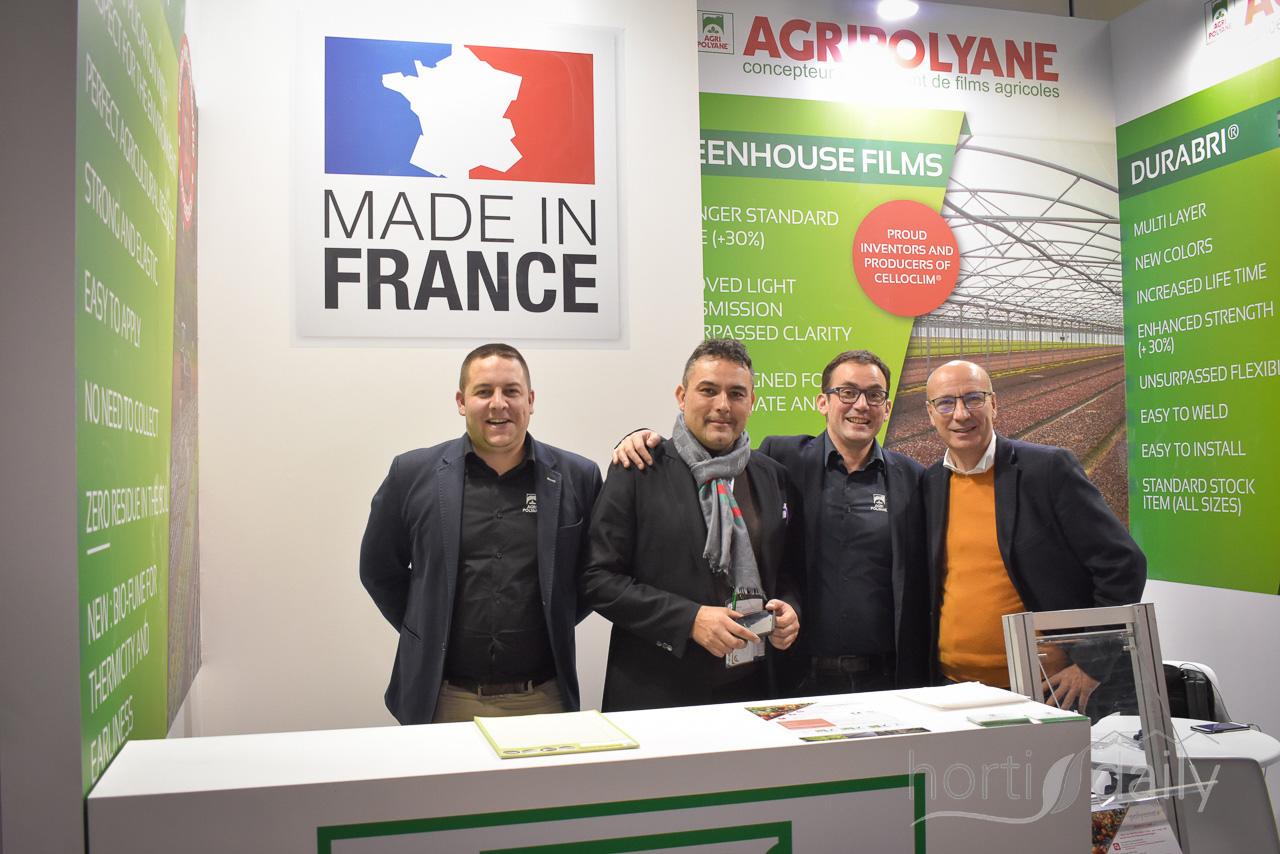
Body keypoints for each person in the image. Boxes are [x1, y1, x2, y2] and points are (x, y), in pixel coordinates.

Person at [614, 350, 930, 695]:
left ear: (887, 407)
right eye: (848, 392)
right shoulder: (781, 460)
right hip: (795, 675)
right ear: (823, 402)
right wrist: (642, 438)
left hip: (884, 677)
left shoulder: (913, 478)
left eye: (875, 395)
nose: (861, 405)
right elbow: (711, 457)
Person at [360, 343, 602, 724]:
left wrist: (554, 617)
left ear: (530, 400)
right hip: (443, 699)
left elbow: (598, 576)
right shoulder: (411, 474)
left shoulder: (579, 478)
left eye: (511, 391)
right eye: (484, 391)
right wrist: (428, 625)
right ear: (461, 401)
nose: (498, 404)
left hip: (543, 698)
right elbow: (378, 570)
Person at [580, 338, 802, 712]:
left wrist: (792, 610)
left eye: (736, 393)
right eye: (708, 390)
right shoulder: (639, 469)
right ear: (682, 397)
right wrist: (689, 620)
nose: (723, 405)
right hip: (659, 694)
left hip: (754, 691)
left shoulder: (773, 476)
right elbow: (596, 579)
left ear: (751, 402)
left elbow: (788, 571)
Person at [922, 359, 1146, 713]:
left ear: (994, 404)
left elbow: (1122, 563)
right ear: (931, 413)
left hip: (1044, 687)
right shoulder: (931, 482)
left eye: (974, 398)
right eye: (946, 403)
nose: (961, 414)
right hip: (952, 686)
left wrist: (1091, 664)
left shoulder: (1047, 469)